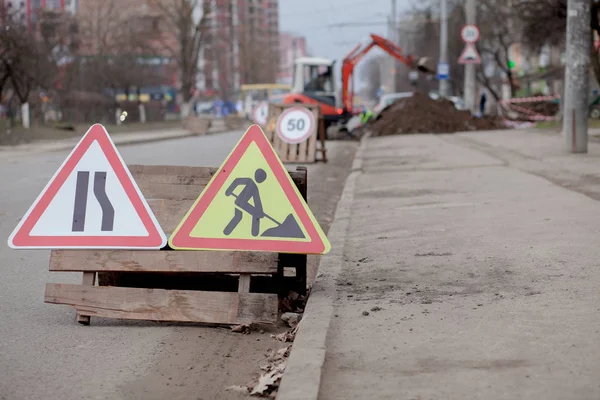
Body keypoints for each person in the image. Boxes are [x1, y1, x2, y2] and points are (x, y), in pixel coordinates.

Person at [223, 168, 267, 237]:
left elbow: (257, 201)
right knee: (240, 216)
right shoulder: (249, 181)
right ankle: (254, 232)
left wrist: (260, 211)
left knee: (239, 216)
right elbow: (237, 181)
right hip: (240, 202)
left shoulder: (255, 188)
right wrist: (229, 191)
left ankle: (226, 233)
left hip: (242, 204)